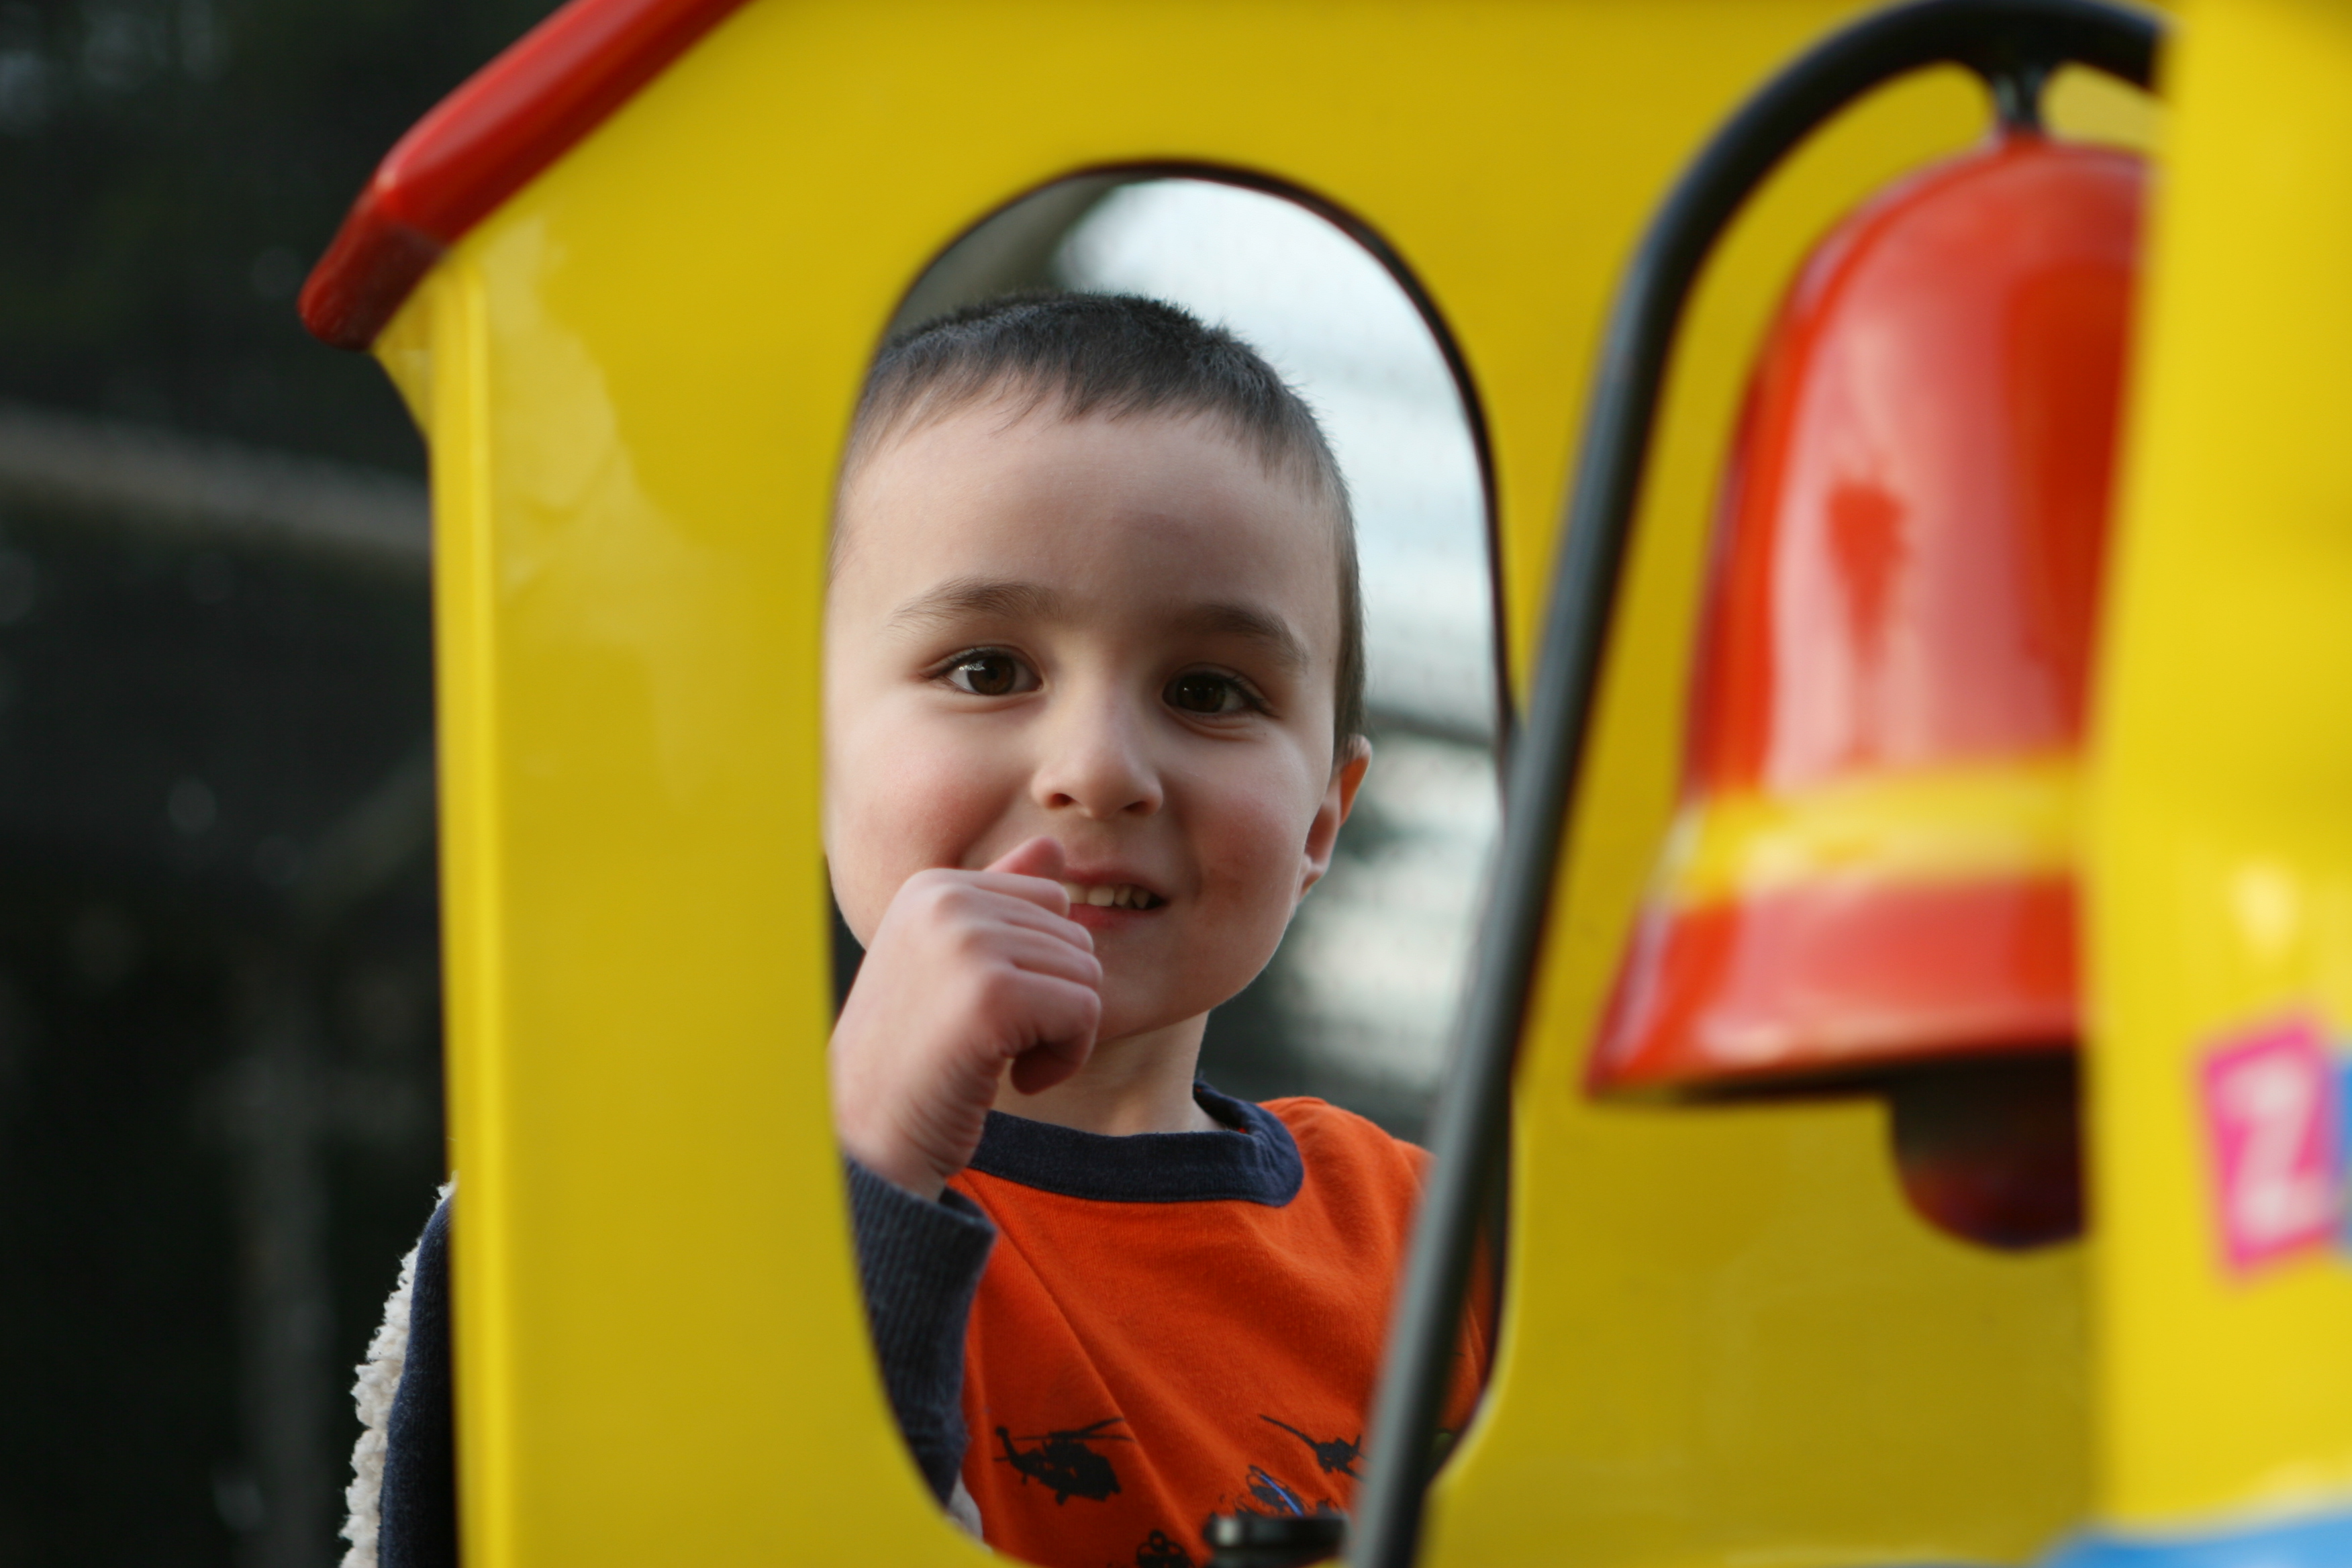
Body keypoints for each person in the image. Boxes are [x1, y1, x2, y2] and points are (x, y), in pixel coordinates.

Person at [344, 293, 1488, 1568]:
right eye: (987, 670)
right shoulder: (622, 1222)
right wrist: (863, 1170)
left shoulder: (1446, 1250)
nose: (1099, 769)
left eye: (1209, 691)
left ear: (1324, 820)